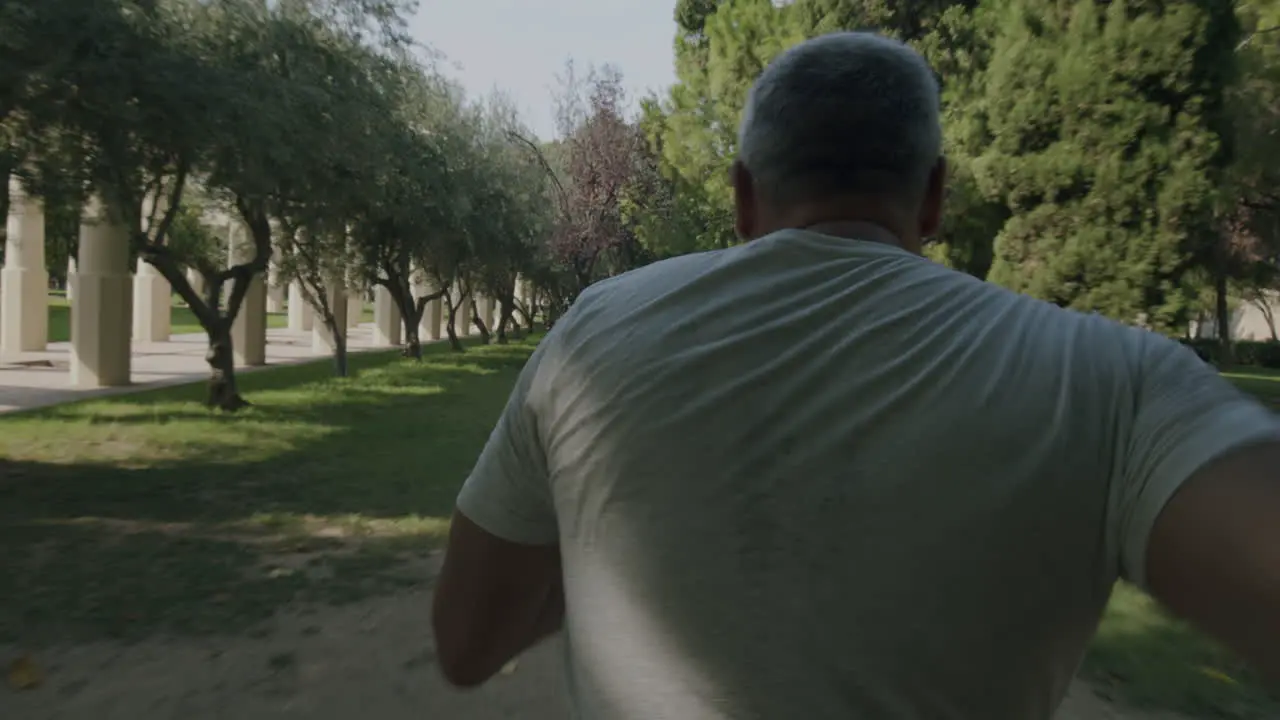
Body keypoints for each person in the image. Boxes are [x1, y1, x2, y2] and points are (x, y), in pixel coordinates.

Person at [431, 31, 1280, 718]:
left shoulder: (594, 332)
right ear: (936, 196)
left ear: (743, 198)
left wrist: (600, 559)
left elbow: (467, 643)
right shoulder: (1116, 378)